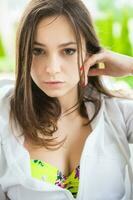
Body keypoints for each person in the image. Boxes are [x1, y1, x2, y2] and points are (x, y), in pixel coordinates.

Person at [0, 0, 133, 199]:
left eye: (68, 50)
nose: (52, 68)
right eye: (38, 51)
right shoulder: (4, 118)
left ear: (89, 51)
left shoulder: (119, 113)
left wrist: (131, 66)